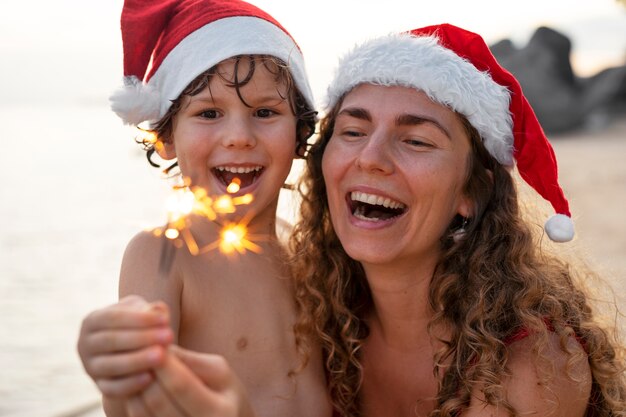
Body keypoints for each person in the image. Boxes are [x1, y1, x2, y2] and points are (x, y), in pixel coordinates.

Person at [289, 24, 626, 416]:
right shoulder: (312, 318)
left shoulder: (530, 364)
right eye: (352, 131)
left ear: (470, 193)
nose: (369, 157)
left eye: (416, 140)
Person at [76, 1, 330, 416]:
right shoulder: (162, 255)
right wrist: (118, 362)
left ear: (300, 132)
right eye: (209, 113)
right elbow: (132, 402)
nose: (238, 137)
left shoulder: (299, 248)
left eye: (265, 112)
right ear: (167, 138)